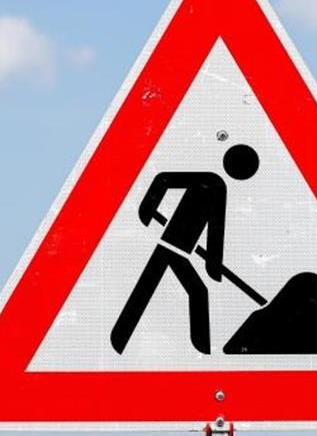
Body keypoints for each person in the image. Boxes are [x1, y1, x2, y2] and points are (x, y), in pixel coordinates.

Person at [110, 144, 260, 354]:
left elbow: (215, 231)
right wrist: (147, 209)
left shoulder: (217, 186)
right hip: (170, 246)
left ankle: (119, 338)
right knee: (190, 291)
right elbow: (163, 179)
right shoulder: (211, 182)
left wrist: (213, 266)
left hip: (179, 251)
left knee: (154, 287)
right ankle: (201, 351)